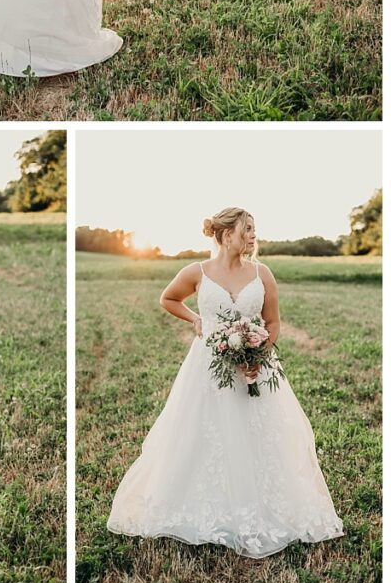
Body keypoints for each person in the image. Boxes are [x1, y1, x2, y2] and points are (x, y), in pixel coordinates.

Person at [107, 207, 343, 557]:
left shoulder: (263, 274)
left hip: (254, 367)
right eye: (246, 229)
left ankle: (259, 505)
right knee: (200, 433)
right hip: (207, 367)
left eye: (254, 230)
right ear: (225, 233)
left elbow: (273, 322)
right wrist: (196, 319)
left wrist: (258, 355)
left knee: (258, 433)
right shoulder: (196, 271)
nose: (252, 235)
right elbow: (168, 299)